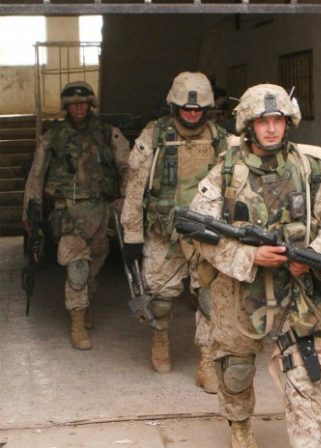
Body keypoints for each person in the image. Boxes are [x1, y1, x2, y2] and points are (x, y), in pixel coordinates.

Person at [187, 83, 321, 448]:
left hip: (295, 290)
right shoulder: (227, 172)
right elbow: (198, 231)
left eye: (278, 120)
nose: (271, 128)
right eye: (262, 121)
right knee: (236, 372)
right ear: (248, 125)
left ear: (288, 122)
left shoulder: (309, 169)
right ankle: (240, 427)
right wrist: (249, 256)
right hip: (238, 290)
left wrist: (310, 257)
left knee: (303, 374)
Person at [120, 71, 229, 391]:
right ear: (174, 106)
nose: (192, 114)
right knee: (161, 299)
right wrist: (131, 234)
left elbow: (235, 186)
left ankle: (207, 361)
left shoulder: (220, 138)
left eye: (198, 109)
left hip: (204, 235)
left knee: (209, 299)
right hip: (162, 233)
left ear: (207, 108)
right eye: (186, 108)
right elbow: (135, 187)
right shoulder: (155, 134)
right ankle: (160, 337)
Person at [22, 81, 130, 350]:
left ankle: (84, 304)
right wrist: (29, 211)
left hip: (100, 210)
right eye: (73, 104)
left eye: (83, 103)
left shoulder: (109, 134)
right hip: (67, 211)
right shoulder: (52, 137)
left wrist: (126, 197)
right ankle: (77, 322)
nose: (79, 108)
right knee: (77, 268)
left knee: (94, 267)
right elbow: (36, 176)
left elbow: (128, 166)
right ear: (65, 107)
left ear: (90, 105)